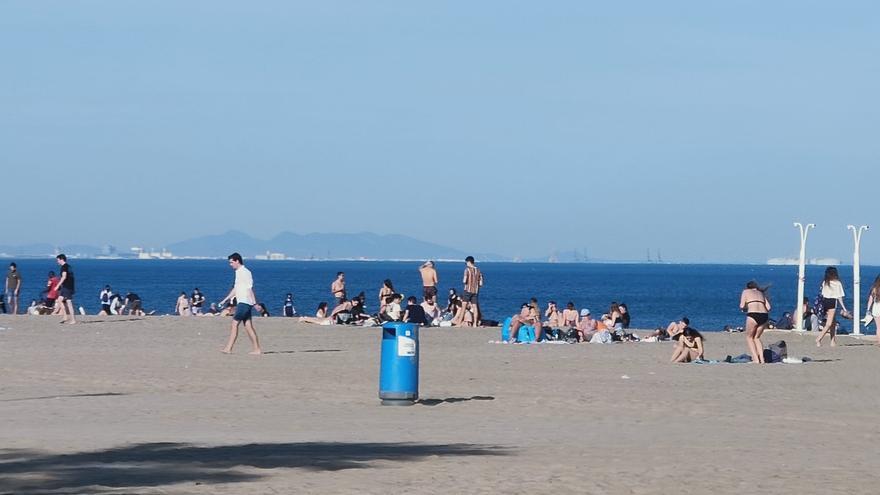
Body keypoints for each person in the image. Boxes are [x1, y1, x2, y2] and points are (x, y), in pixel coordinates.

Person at [218, 253, 262, 355]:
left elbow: (249, 289)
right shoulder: (238, 272)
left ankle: (228, 348)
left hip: (245, 303)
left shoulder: (245, 272)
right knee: (248, 326)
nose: (230, 264)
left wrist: (255, 304)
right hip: (243, 302)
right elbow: (236, 289)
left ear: (237, 261)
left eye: (231, 262)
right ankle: (257, 349)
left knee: (234, 324)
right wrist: (225, 300)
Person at [740, 281, 771, 364]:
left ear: (747, 287)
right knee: (756, 337)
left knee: (749, 337)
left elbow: (742, 305)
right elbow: (768, 307)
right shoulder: (761, 293)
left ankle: (756, 359)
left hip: (753, 314)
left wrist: (747, 308)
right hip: (764, 315)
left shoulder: (745, 292)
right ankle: (762, 359)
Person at [816, 266, 847, 347]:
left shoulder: (825, 282)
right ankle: (819, 339)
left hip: (824, 302)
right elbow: (839, 297)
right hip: (832, 302)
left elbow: (822, 293)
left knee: (833, 323)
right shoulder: (837, 283)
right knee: (829, 323)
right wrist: (844, 308)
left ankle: (832, 341)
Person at [453, 256, 483, 326]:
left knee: (463, 306)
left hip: (467, 290)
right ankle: (475, 324)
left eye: (466, 263)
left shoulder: (467, 270)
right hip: (475, 291)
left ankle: (459, 323)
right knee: (475, 307)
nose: (466, 264)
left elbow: (464, 281)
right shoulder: (478, 270)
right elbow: (481, 283)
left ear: (469, 262)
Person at [53, 254, 76, 324]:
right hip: (67, 286)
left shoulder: (64, 267)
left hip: (67, 287)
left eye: (58, 260)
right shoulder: (69, 267)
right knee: (59, 300)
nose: (57, 262)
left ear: (61, 259)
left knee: (69, 302)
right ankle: (65, 316)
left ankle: (73, 319)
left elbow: (64, 277)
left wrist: (57, 285)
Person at [865, 275, 880, 346]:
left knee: (878, 327)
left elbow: (870, 300)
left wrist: (868, 310)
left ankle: (879, 341)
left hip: (876, 308)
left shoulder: (874, 289)